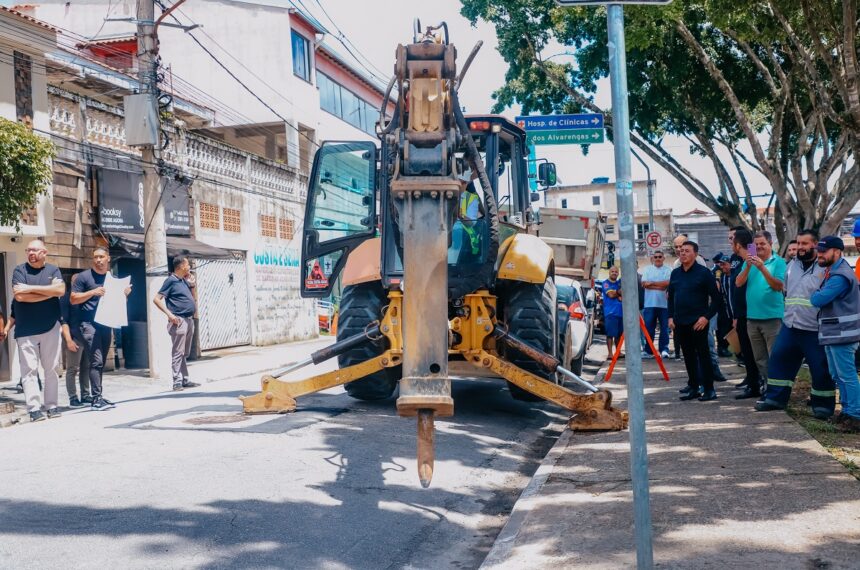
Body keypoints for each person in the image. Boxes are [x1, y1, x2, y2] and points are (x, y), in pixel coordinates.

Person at [754, 230, 835, 419]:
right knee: (779, 360)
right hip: (791, 326)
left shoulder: (825, 267)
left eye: (805, 244)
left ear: (815, 245)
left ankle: (822, 406)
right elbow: (786, 291)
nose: (800, 247)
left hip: (814, 329)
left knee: (820, 367)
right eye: (798, 243)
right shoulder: (792, 265)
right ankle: (775, 399)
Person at [11, 239, 65, 422]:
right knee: (29, 371)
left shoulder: (53, 270)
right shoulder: (19, 270)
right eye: (28, 250)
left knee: (51, 369)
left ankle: (52, 406)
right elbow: (19, 296)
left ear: (44, 252)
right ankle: (34, 409)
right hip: (26, 329)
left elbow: (60, 290)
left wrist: (30, 288)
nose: (31, 253)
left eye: (34, 250)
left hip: (51, 326)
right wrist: (47, 293)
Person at [810, 236, 860, 432]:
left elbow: (818, 299)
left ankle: (855, 415)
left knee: (846, 375)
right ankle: (847, 411)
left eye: (823, 251)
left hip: (843, 334)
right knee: (838, 374)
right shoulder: (833, 272)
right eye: (819, 251)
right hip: (835, 332)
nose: (819, 254)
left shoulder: (840, 276)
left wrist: (814, 293)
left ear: (836, 252)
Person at [72, 247, 131, 411]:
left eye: (101, 257)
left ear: (108, 259)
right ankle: (96, 399)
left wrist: (124, 295)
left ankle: (98, 396)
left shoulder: (112, 279)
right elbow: (73, 299)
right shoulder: (84, 277)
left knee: (101, 362)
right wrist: (93, 292)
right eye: (95, 257)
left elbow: (118, 304)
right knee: (96, 361)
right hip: (88, 325)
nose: (98, 260)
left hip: (106, 324)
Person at [669, 241, 722, 401]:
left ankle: (709, 389)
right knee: (688, 355)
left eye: (686, 251)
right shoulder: (675, 273)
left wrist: (706, 317)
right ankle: (693, 386)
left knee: (703, 355)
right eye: (681, 250)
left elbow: (717, 299)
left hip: (698, 322)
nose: (682, 253)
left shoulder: (704, 273)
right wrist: (670, 317)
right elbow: (671, 297)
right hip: (680, 322)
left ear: (695, 254)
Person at [736, 230, 786, 395]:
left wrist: (762, 267)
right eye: (756, 245)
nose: (759, 247)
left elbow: (778, 286)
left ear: (771, 244)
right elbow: (738, 283)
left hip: (772, 318)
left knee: (775, 357)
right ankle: (768, 387)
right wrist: (749, 266)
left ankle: (778, 390)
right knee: (760, 359)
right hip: (752, 318)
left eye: (762, 244)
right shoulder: (748, 262)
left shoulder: (779, 262)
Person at [153, 256, 201, 391]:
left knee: (184, 352)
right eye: (187, 264)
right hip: (178, 320)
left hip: (189, 319)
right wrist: (170, 315)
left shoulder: (183, 281)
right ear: (181, 266)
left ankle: (185, 379)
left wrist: (192, 285)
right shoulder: (170, 281)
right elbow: (156, 299)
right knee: (178, 352)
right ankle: (177, 381)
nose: (189, 267)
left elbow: (192, 298)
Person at [729, 227, 763, 397]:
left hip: (751, 313)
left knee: (752, 352)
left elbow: (752, 249)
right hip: (741, 313)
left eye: (731, 240)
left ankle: (755, 384)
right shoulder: (740, 260)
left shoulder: (751, 258)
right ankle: (751, 381)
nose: (730, 244)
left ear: (737, 244)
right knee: (747, 352)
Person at [60, 273, 90, 408]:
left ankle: (86, 395)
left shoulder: (87, 297)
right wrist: (69, 340)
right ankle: (73, 398)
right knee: (72, 369)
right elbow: (63, 321)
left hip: (87, 339)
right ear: (72, 283)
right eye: (76, 281)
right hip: (74, 338)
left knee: (86, 368)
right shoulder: (66, 298)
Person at [641, 251, 671, 359]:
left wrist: (652, 283)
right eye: (656, 257)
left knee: (665, 328)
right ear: (653, 258)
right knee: (649, 328)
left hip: (664, 305)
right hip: (649, 304)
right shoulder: (647, 269)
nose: (658, 258)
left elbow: (668, 284)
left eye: (660, 257)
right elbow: (644, 284)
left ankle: (664, 349)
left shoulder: (668, 269)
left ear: (663, 258)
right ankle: (648, 350)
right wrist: (660, 286)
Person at [601, 265, 623, 358]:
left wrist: (617, 292)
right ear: (609, 273)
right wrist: (618, 293)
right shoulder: (605, 283)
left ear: (618, 273)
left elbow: (622, 293)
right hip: (610, 313)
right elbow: (610, 295)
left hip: (621, 313)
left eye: (616, 271)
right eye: (612, 271)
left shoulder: (619, 283)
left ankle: (618, 352)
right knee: (610, 334)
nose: (614, 273)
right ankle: (610, 353)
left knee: (619, 334)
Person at [715, 254, 734, 357]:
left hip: (734, 308)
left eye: (725, 264)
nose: (723, 267)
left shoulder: (735, 276)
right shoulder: (721, 277)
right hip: (725, 309)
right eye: (721, 265)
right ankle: (722, 348)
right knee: (723, 329)